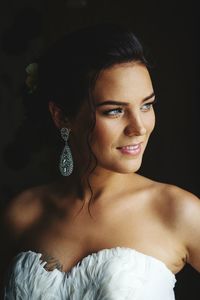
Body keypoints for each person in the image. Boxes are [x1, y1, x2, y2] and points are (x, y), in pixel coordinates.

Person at [1, 22, 199, 300]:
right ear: (62, 116)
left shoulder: (180, 212)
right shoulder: (22, 214)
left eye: (146, 105)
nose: (139, 127)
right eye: (115, 111)